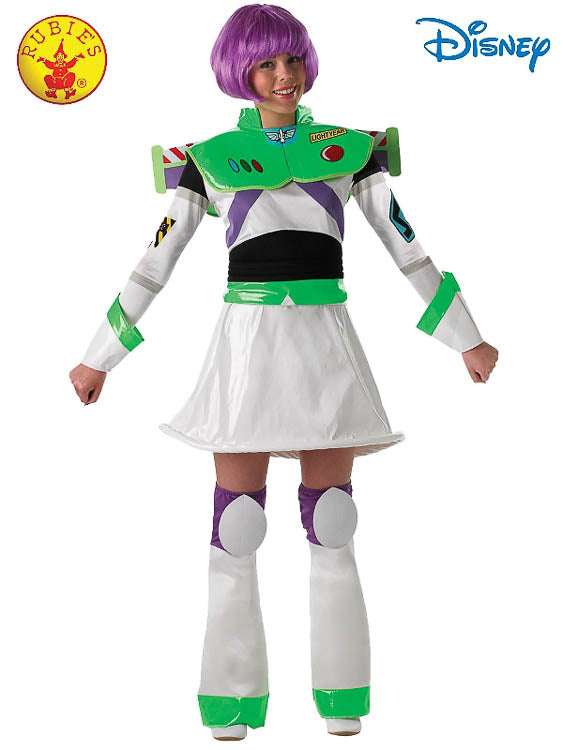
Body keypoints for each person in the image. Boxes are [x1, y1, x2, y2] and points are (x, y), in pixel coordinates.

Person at [69, 3, 498, 741]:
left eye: (291, 60)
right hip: (246, 349)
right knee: (236, 528)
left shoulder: (351, 150)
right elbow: (156, 259)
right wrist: (98, 354)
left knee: (333, 521)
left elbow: (407, 246)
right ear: (240, 72)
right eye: (265, 63)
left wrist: (466, 338)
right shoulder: (206, 158)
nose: (282, 75)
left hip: (325, 345)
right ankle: (230, 699)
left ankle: (341, 695)